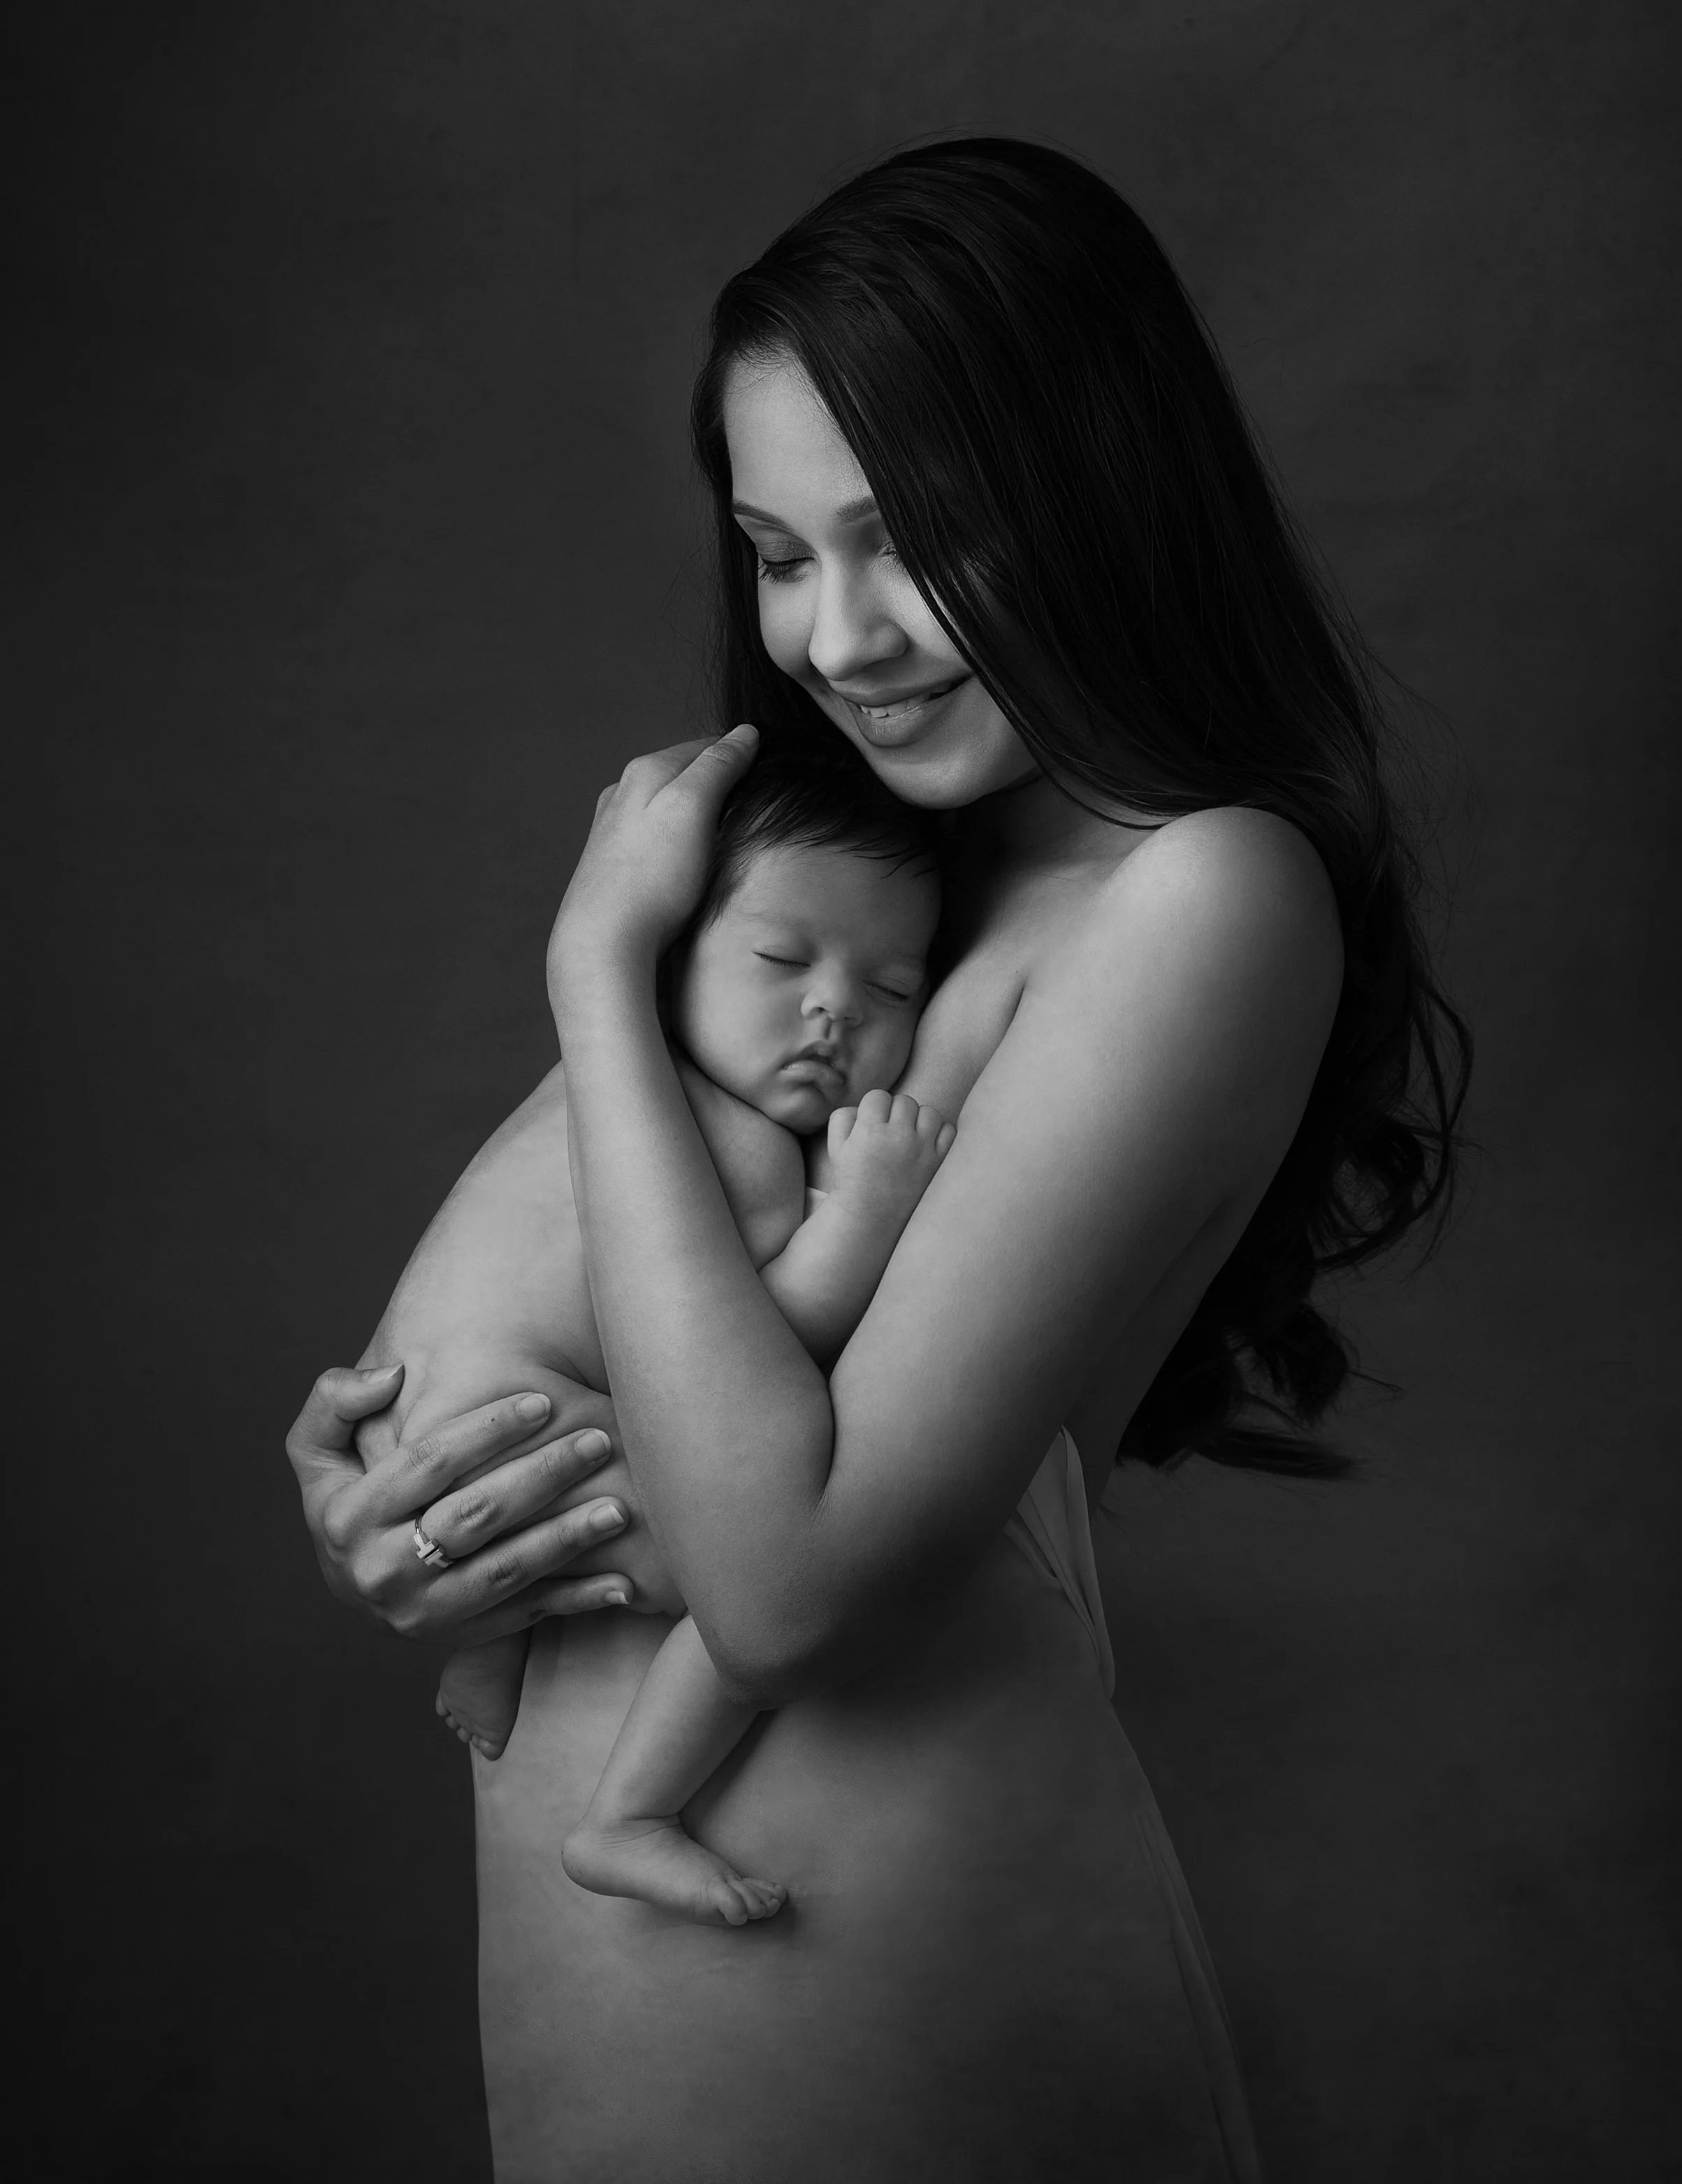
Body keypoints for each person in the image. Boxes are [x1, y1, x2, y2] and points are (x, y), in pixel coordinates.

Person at [288, 138, 1468, 2182]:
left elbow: (782, 1583)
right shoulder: (864, 887)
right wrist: (418, 1514)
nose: (835, 635)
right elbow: (644, 1342)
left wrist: (594, 973)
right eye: (775, 552)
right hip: (626, 1992)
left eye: (912, 538)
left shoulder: (1195, 894)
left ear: (1103, 492)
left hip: (878, 1956)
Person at [405, 751, 952, 1929]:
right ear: (666, 960)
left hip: (422, 1427)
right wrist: (864, 1215)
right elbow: (742, 1359)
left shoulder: (582, 1088)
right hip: (514, 1435)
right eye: (779, 960)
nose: (837, 1009)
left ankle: (493, 1638)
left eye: (895, 988)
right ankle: (627, 1816)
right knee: (752, 1574)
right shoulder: (736, 1146)